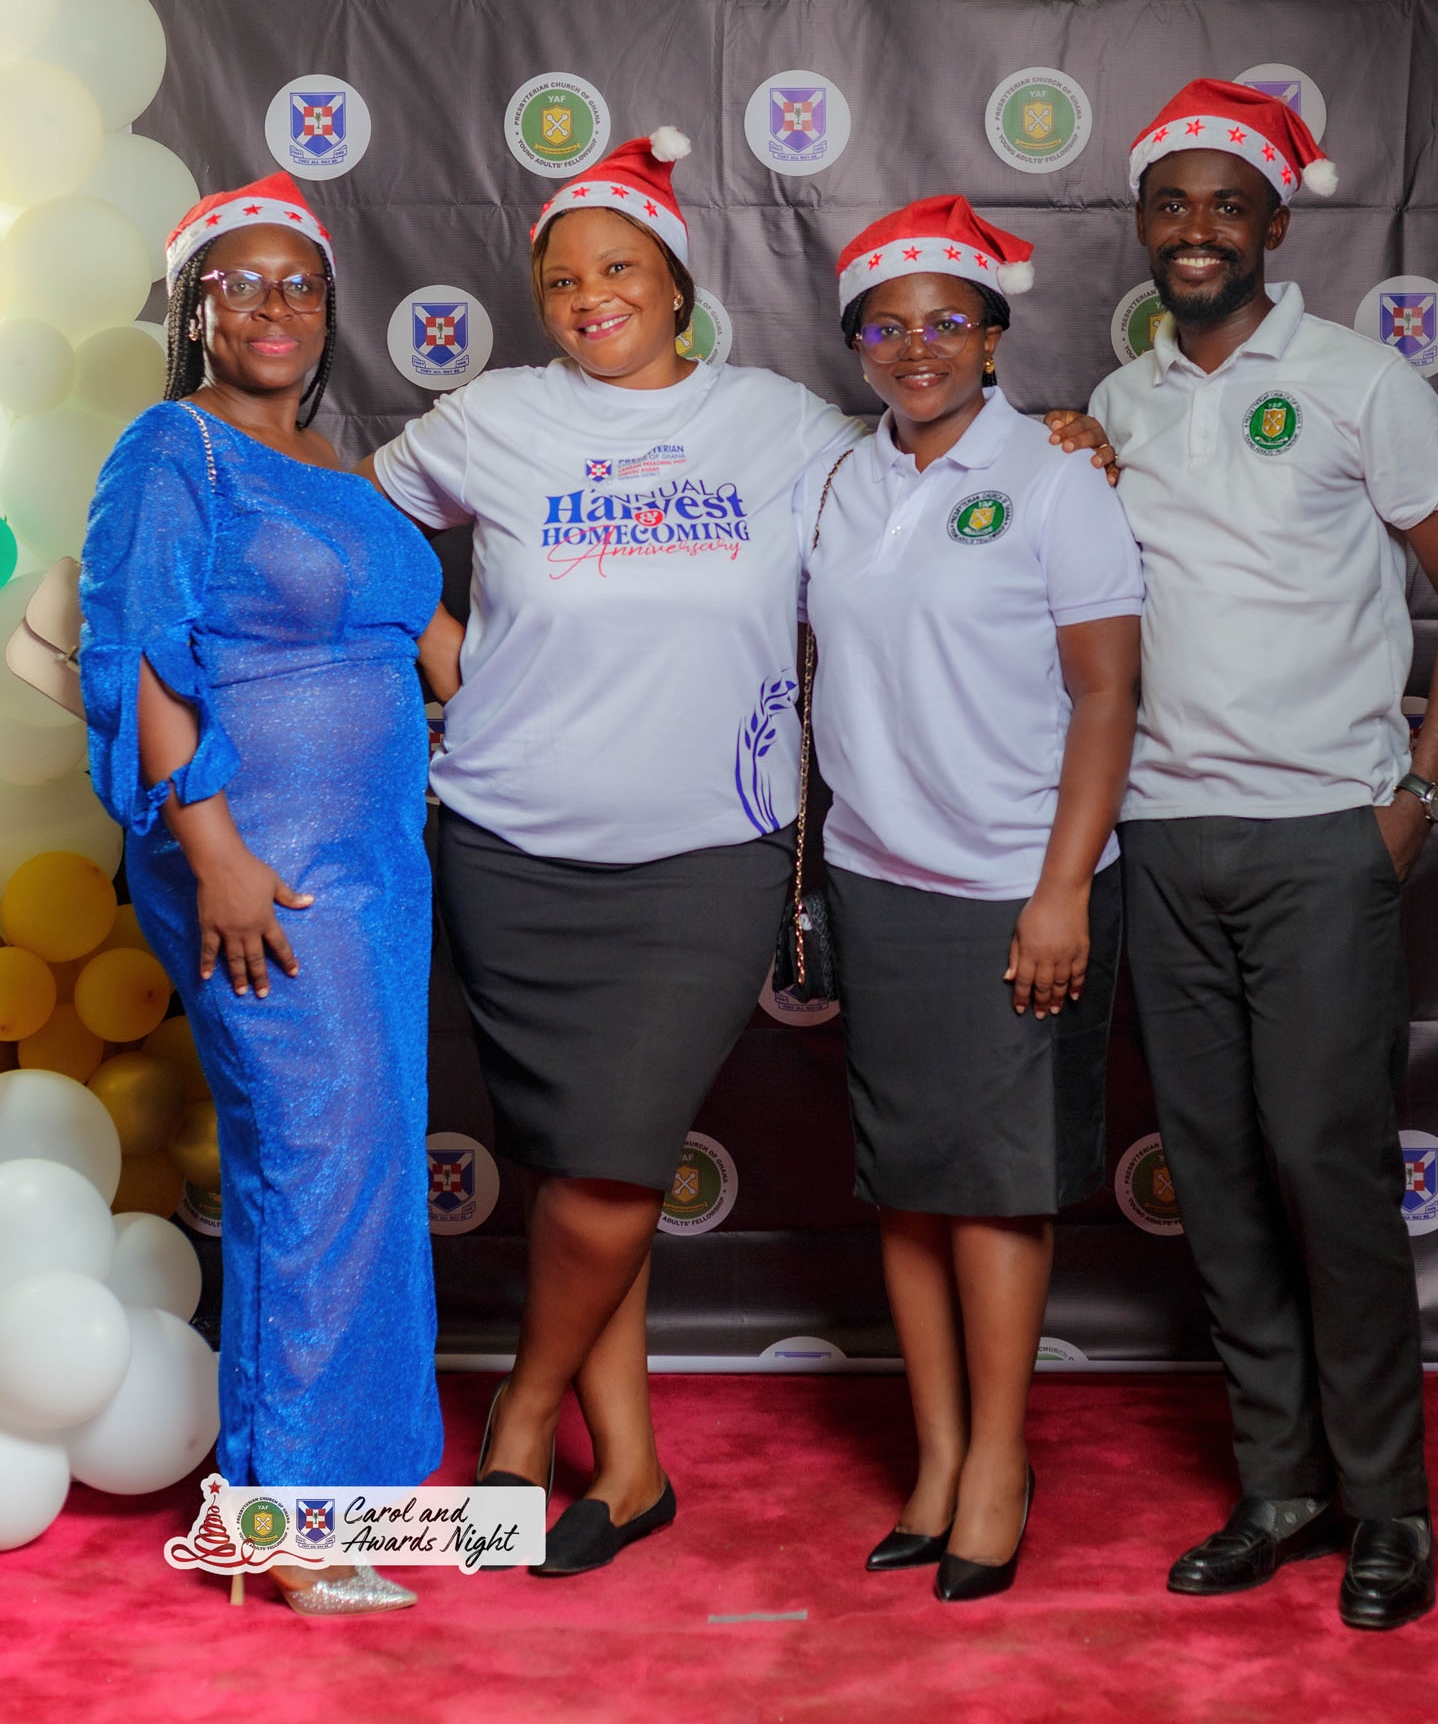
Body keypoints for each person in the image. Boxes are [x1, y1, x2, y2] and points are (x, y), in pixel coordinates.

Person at [357, 130, 868, 1578]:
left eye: (621, 269)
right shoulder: (497, 417)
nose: (593, 298)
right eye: (565, 280)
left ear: (678, 284)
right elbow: (353, 530)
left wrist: (1063, 440)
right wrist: (448, 656)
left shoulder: (774, 422)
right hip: (509, 843)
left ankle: (523, 1415)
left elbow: (921, 499)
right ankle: (631, 1470)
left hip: (705, 851)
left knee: (615, 1164)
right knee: (579, 1160)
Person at [1080, 81, 1438, 1630]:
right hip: (1163, 835)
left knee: (1330, 1171)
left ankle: (1388, 1503)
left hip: (1326, 835)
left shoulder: (1357, 380)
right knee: (1214, 1176)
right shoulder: (1119, 400)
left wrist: (1419, 798)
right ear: (1144, 225)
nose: (1196, 231)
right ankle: (1280, 1483)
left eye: (1226, 204)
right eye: (1171, 204)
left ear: (1274, 221)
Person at [79, 173, 454, 1616]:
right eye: (240, 283)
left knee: (361, 1155)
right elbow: (140, 649)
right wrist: (218, 851)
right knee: (314, 1155)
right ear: (194, 309)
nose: (274, 307)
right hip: (260, 860)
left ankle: (330, 1489)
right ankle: (287, 1519)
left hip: (379, 865)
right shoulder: (172, 449)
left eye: (299, 282)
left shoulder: (340, 474)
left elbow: (443, 650)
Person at [805, 197, 1143, 1602]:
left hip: (1018, 884)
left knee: (999, 1192)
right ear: (858, 348)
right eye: (887, 327)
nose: (918, 347)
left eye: (949, 321)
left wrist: (1062, 891)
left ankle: (1001, 1462)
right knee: (907, 1186)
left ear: (995, 338)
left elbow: (1107, 692)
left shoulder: (1058, 478)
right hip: (879, 881)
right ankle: (937, 1458)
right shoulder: (839, 478)